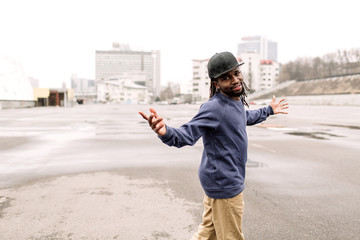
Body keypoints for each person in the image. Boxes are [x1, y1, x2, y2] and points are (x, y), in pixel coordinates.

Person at [139, 51, 288, 240]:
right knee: (231, 236)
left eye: (236, 73)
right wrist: (165, 131)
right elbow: (187, 134)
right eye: (226, 77)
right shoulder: (215, 107)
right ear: (216, 83)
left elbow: (245, 118)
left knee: (208, 233)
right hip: (224, 182)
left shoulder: (235, 103)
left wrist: (268, 110)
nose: (234, 80)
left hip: (217, 179)